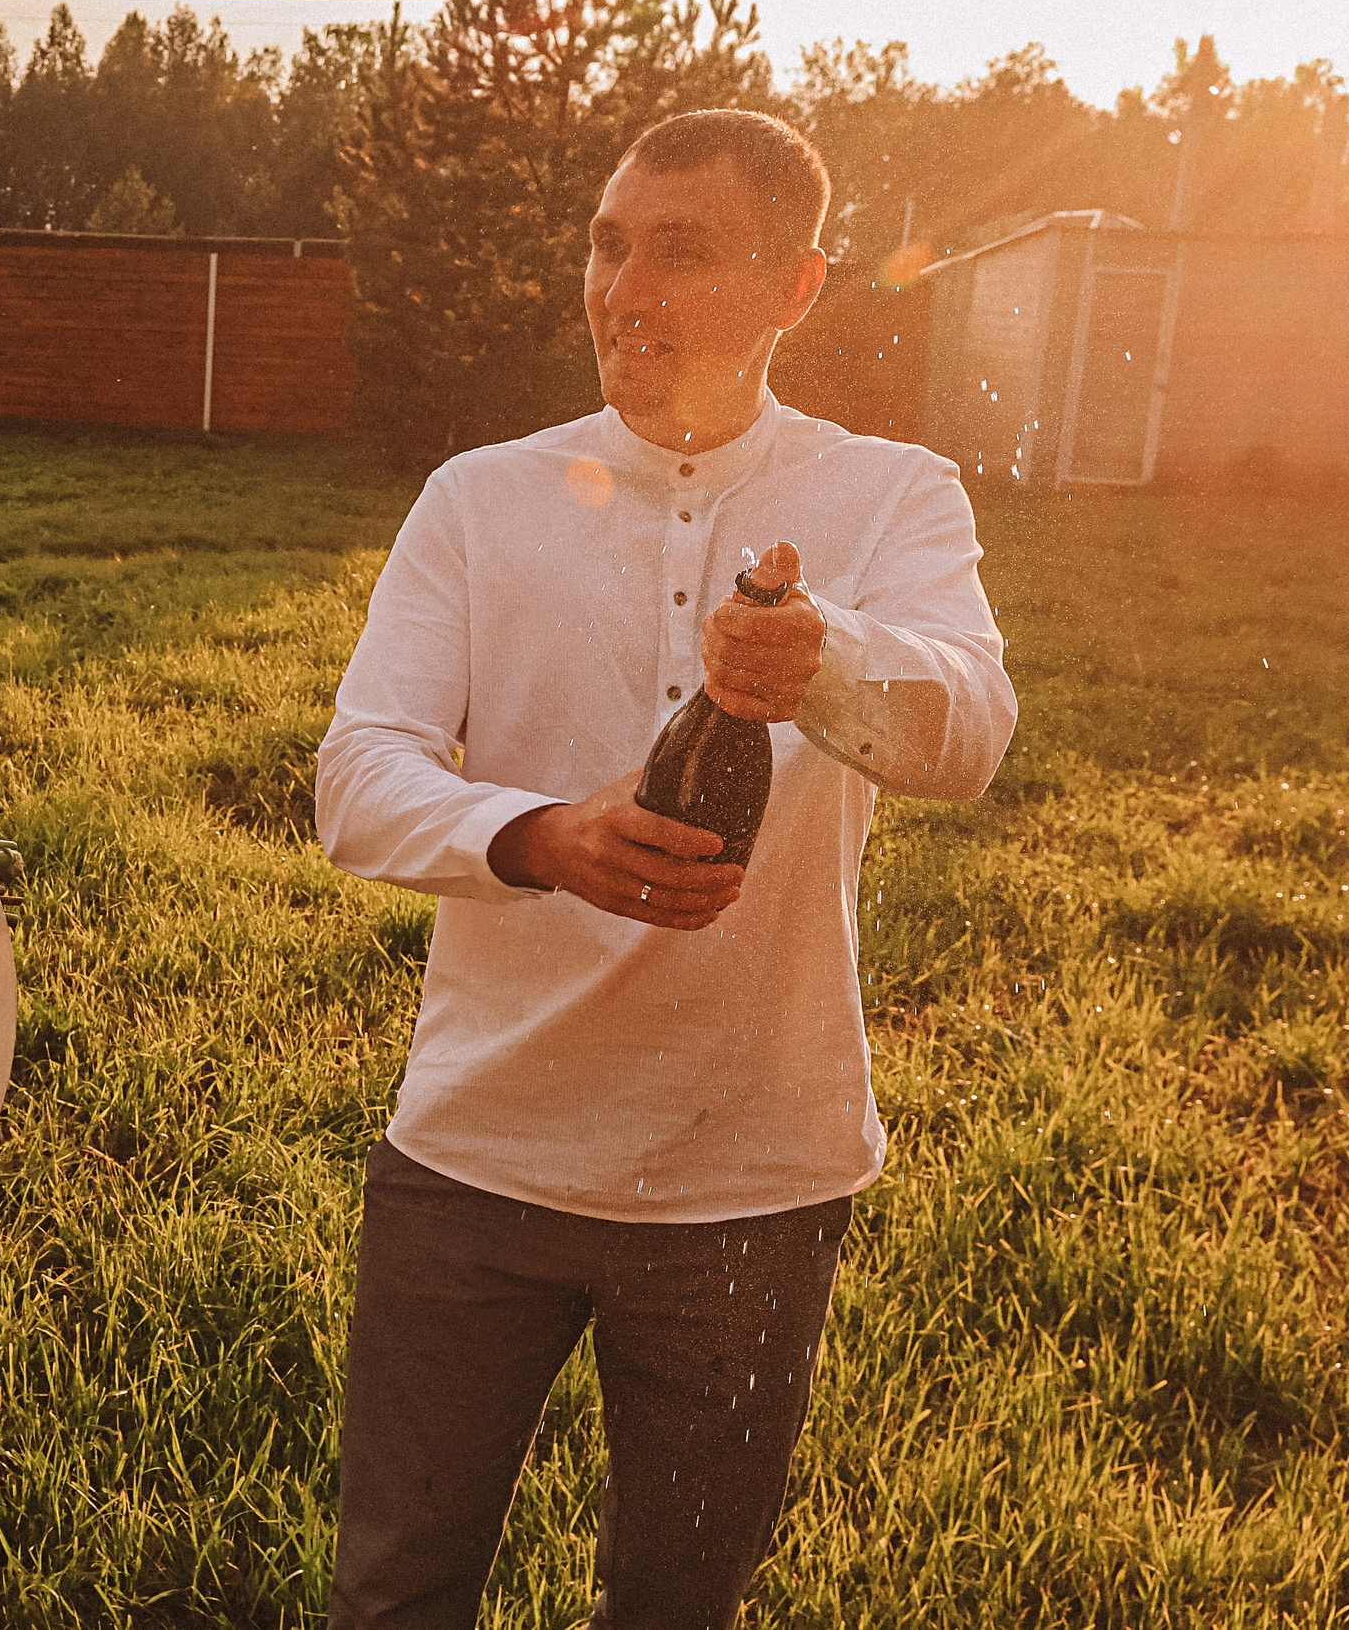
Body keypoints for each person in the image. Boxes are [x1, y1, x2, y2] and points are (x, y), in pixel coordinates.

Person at [313, 109, 1018, 1628]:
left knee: (678, 1607)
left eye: (680, 251)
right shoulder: (479, 497)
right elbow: (357, 779)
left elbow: (968, 735)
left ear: (795, 288)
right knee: (393, 1593)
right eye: (606, 243)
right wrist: (538, 837)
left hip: (753, 1179)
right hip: (475, 1157)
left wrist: (824, 661)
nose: (622, 288)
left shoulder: (893, 496)